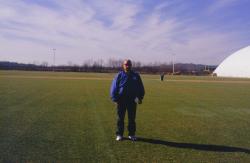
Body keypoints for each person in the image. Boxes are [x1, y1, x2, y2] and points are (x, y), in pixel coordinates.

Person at [110, 59, 145, 141]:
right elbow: (114, 88)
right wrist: (115, 99)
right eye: (126, 64)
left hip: (132, 101)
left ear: (131, 65)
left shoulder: (136, 76)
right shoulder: (119, 75)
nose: (127, 66)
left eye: (129, 64)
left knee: (132, 119)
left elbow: (141, 87)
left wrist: (140, 97)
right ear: (123, 65)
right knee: (120, 119)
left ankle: (131, 134)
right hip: (121, 101)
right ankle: (119, 134)